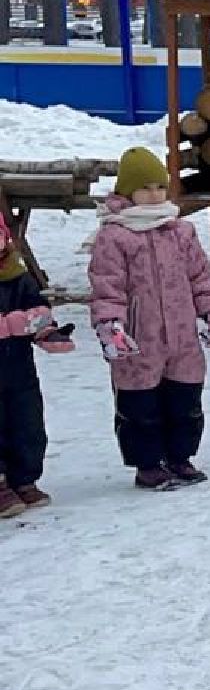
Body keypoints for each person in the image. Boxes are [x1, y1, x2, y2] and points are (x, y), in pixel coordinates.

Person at [89, 147, 210, 490]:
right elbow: (107, 286)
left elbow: (201, 276)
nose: (154, 195)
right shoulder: (115, 236)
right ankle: (147, 464)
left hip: (181, 335)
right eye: (145, 188)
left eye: (160, 187)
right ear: (127, 193)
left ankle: (180, 457)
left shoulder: (180, 231)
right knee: (141, 404)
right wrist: (111, 326)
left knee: (184, 399)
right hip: (139, 338)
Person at [0, 218, 75, 517]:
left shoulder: (19, 276)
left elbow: (38, 311)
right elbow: (20, 321)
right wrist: (16, 323)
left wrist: (47, 333)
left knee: (27, 423)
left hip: (19, 370)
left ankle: (24, 477)